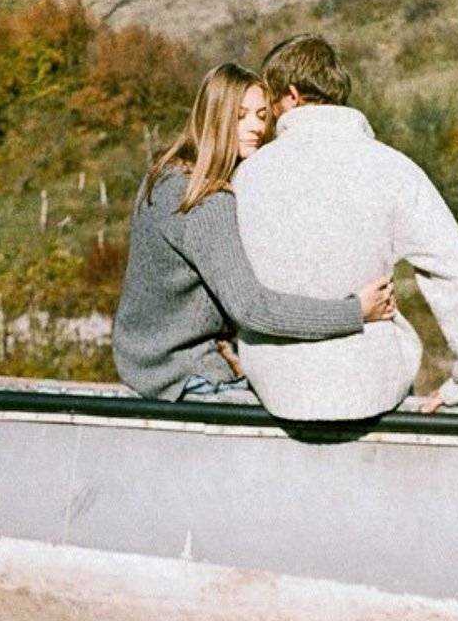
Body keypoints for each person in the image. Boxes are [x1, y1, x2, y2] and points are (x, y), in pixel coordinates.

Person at [232, 35, 458, 421]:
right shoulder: (394, 169)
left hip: (276, 390)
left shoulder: (248, 176)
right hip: (370, 390)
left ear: (290, 95)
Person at [113, 62, 397, 401]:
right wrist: (356, 311)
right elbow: (252, 309)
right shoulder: (206, 201)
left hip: (144, 364)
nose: (256, 127)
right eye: (240, 116)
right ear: (214, 117)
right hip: (191, 372)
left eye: (262, 116)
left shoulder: (164, 176)